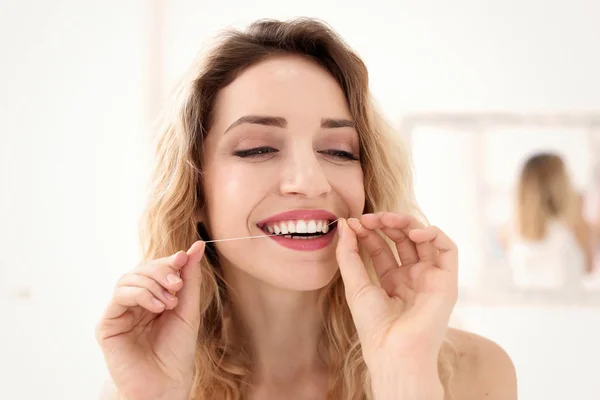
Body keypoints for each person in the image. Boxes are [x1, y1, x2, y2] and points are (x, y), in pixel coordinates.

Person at [95, 18, 516, 400]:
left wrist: (405, 375)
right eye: (258, 148)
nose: (312, 181)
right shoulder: (144, 380)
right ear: (196, 191)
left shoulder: (474, 374)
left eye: (338, 151)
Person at [504, 153, 595, 290]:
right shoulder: (576, 228)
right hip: (569, 307)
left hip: (527, 308)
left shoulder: (509, 232)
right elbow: (588, 269)